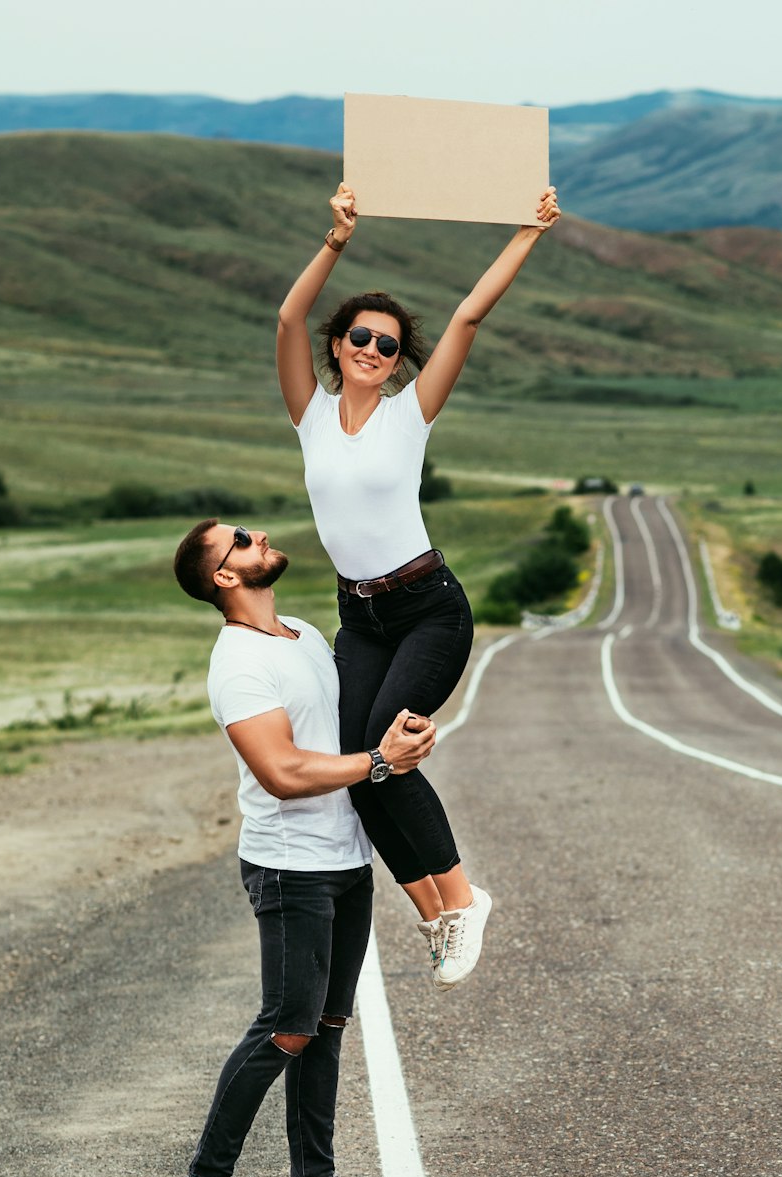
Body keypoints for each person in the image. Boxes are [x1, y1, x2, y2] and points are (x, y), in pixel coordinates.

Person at [274, 180, 562, 989]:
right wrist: (335, 240)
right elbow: (288, 319)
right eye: (361, 336)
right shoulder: (310, 415)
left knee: (387, 755)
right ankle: (436, 913)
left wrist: (526, 233)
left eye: (389, 344)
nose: (372, 348)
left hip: (429, 609)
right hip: (359, 616)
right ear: (339, 345)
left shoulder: (410, 415)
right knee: (361, 763)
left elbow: (468, 317)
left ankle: (465, 897)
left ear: (400, 361)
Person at [165, 517, 436, 1177]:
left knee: (325, 1024)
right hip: (290, 867)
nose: (260, 537)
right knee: (286, 1027)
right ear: (225, 576)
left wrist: (402, 737)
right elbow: (283, 773)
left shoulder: (307, 636)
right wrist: (379, 763)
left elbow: (353, 732)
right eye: (243, 539)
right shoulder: (238, 663)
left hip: (346, 858)